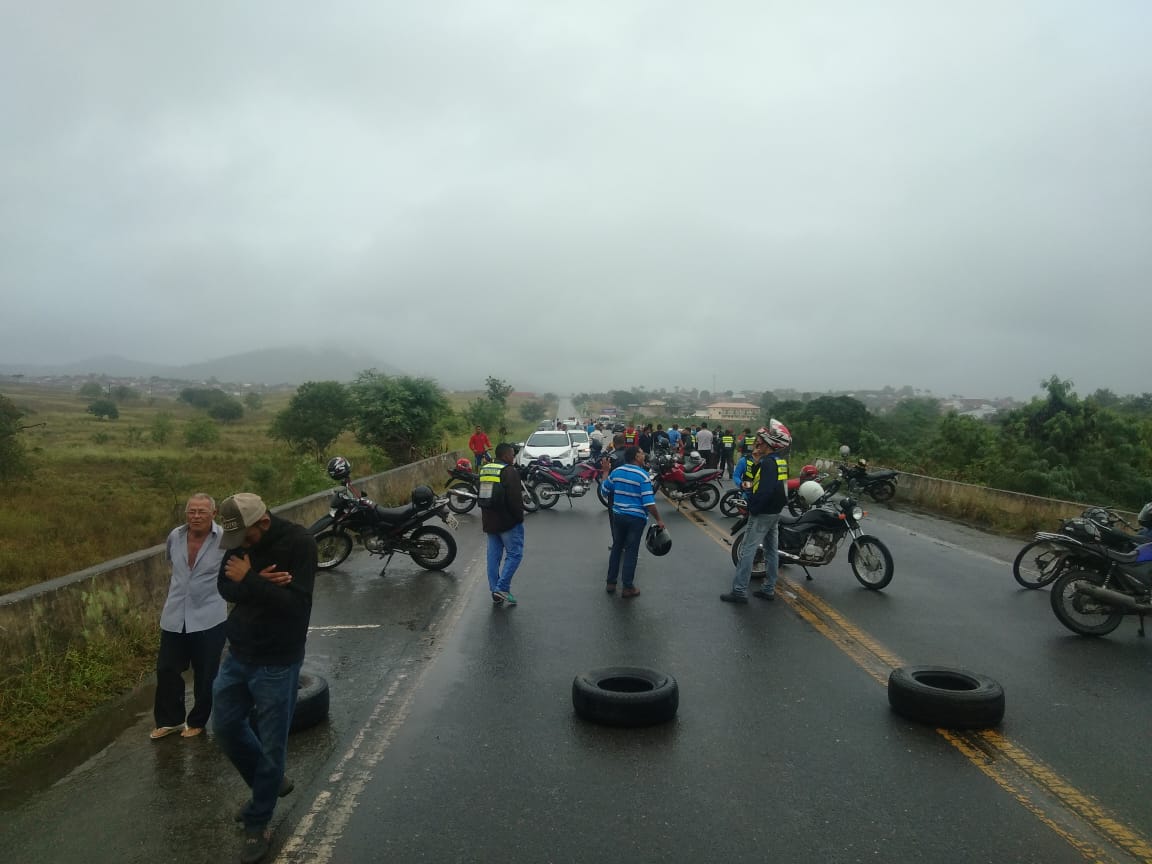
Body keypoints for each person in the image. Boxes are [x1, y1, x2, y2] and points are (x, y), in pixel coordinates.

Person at [212, 493, 317, 864]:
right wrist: (259, 582)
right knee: (224, 728)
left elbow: (297, 606)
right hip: (238, 653)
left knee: (273, 749)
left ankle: (258, 822)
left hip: (277, 661)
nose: (240, 546)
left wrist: (250, 582)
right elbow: (225, 586)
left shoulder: (300, 543)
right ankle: (271, 782)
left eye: (246, 537)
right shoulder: (240, 541)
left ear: (264, 523)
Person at [150, 493, 228, 740]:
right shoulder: (175, 536)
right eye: (191, 511)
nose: (195, 516)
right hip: (175, 614)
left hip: (209, 616)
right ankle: (170, 720)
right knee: (167, 669)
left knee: (205, 673)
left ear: (213, 514)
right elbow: (173, 564)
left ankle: (197, 721)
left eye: (201, 511)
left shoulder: (225, 539)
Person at [722, 420, 791, 605]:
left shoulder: (767, 463)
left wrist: (753, 508)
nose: (757, 443)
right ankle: (769, 589)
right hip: (774, 512)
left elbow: (764, 490)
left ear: (770, 443)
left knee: (747, 550)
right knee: (771, 551)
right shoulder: (779, 461)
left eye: (761, 440)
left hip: (763, 513)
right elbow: (780, 488)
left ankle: (739, 591)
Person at [602, 447, 665, 598]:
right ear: (636, 457)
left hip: (618, 516)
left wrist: (605, 471)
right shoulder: (643, 476)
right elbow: (649, 503)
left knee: (617, 547)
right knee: (631, 551)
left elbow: (604, 490)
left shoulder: (616, 472)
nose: (644, 456)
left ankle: (611, 583)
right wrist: (659, 519)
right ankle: (627, 587)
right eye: (642, 453)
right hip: (636, 519)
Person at [479, 442, 526, 606]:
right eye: (512, 454)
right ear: (505, 455)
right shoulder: (509, 471)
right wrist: (519, 518)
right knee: (515, 554)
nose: (513, 457)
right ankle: (502, 588)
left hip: (490, 521)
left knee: (493, 556)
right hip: (507, 522)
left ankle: (495, 591)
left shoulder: (485, 469)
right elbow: (515, 499)